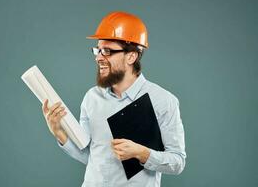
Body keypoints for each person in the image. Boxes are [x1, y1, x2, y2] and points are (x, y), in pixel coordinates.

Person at [42, 11, 186, 187]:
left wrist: (143, 153)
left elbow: (178, 162)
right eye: (98, 50)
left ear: (131, 56)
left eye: (107, 51)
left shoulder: (163, 101)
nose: (98, 57)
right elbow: (92, 157)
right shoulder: (92, 98)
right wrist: (59, 133)